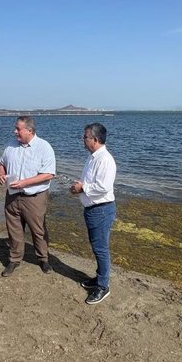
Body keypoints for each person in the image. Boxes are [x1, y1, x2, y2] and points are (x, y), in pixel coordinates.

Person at [0, 116, 56, 277]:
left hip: (34, 197)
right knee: (14, 229)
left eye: (18, 129)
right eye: (15, 128)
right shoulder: (11, 145)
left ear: (29, 131)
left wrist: (25, 183)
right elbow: (2, 163)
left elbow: (49, 174)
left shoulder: (44, 147)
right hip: (12, 195)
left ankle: (43, 259)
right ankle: (14, 259)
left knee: (38, 230)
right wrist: (1, 174)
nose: (14, 131)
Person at [69, 123, 116, 305]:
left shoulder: (105, 159)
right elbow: (91, 182)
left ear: (95, 140)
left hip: (101, 210)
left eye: (85, 137)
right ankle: (99, 279)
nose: (83, 139)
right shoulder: (93, 157)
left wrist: (83, 188)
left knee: (101, 249)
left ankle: (103, 286)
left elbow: (104, 187)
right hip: (93, 209)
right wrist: (79, 188)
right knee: (97, 247)